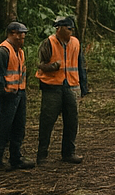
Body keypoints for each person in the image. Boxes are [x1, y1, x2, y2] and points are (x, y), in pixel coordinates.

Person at [36, 15, 89, 164]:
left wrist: (83, 86)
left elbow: (80, 65)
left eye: (72, 28)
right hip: (52, 87)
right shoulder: (48, 43)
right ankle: (42, 155)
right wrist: (52, 67)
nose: (70, 31)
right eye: (67, 28)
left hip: (71, 86)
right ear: (58, 29)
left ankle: (68, 153)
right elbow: (40, 64)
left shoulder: (76, 43)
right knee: (47, 122)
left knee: (72, 120)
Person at [0, 21, 33, 171]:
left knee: (19, 127)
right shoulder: (3, 51)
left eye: (23, 34)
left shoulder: (19, 51)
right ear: (12, 33)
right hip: (8, 95)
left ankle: (15, 158)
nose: (22, 37)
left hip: (19, 93)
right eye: (20, 34)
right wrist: (3, 91)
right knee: (4, 128)